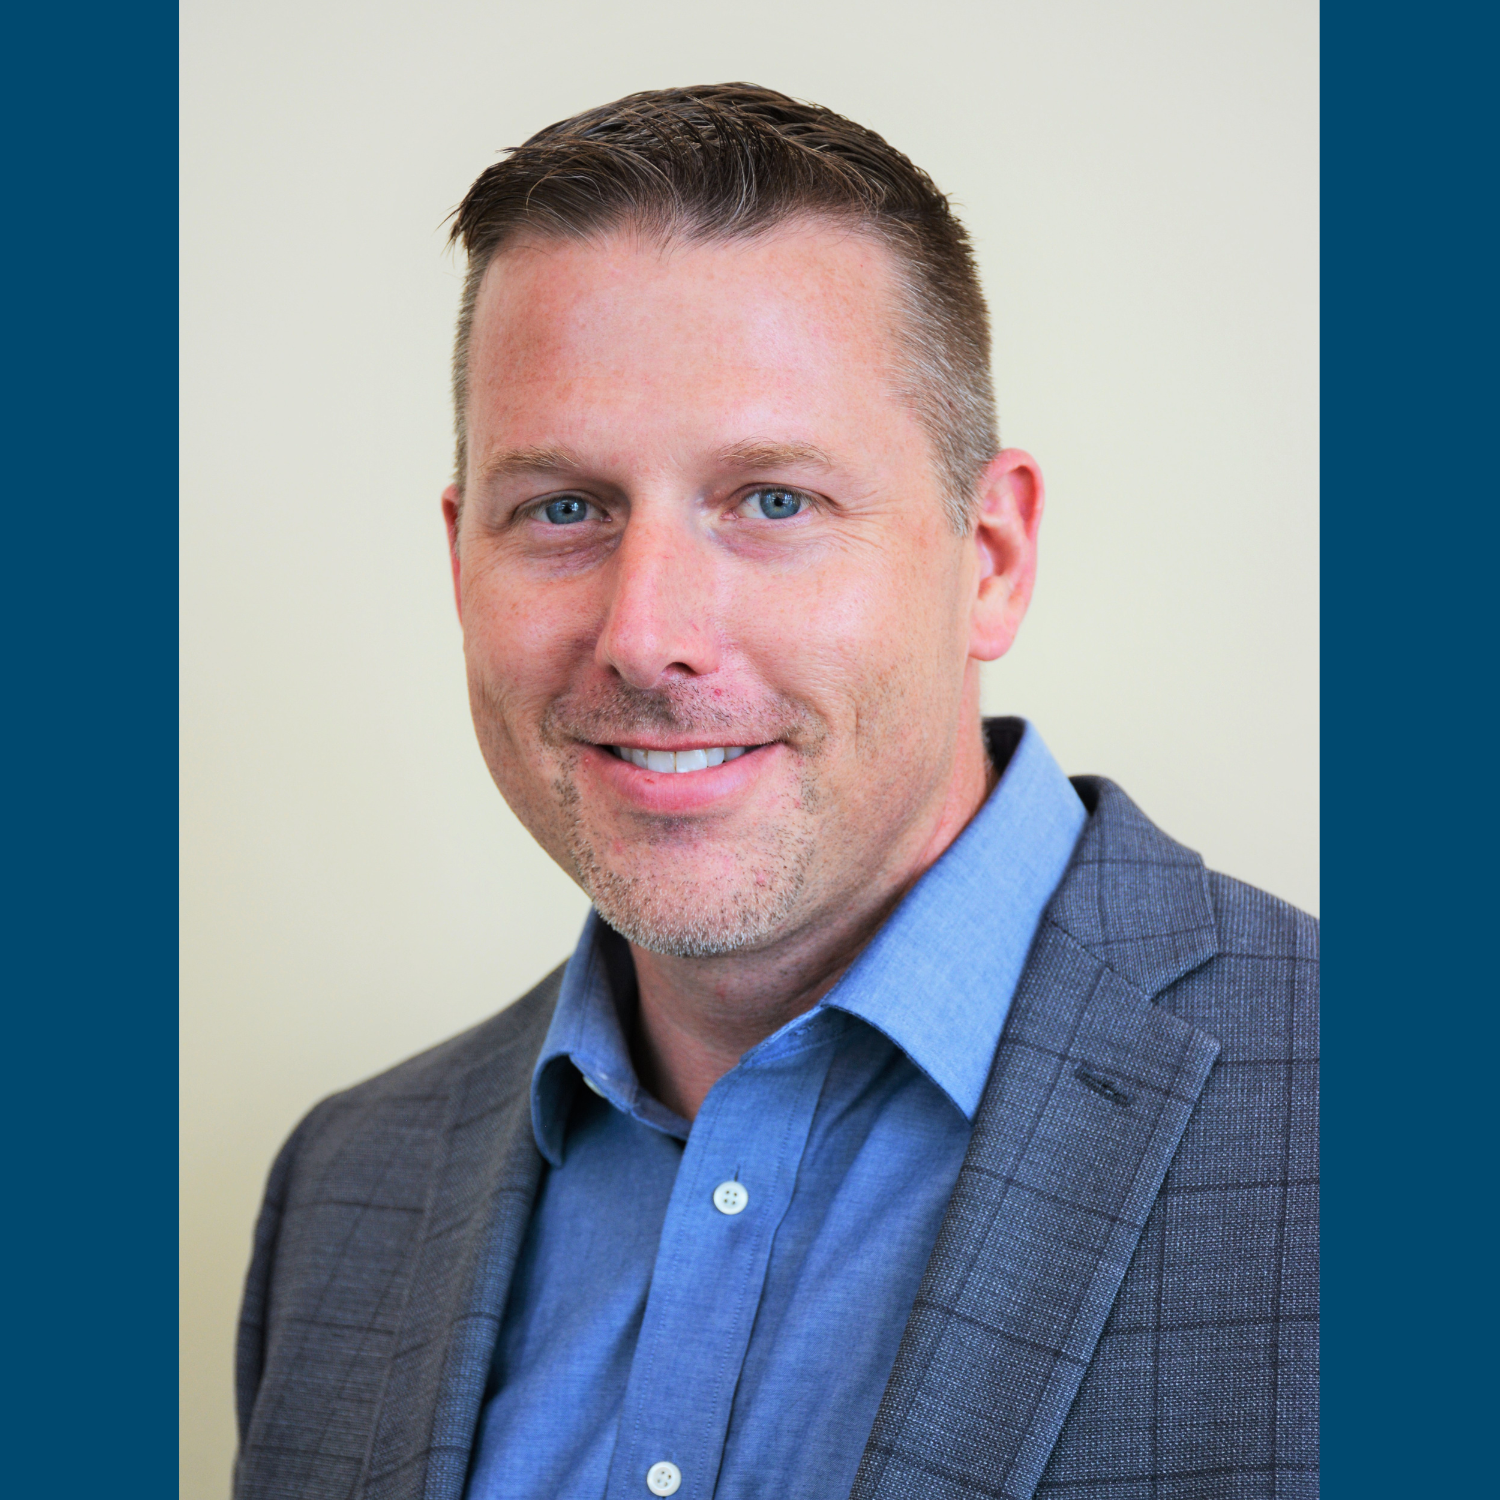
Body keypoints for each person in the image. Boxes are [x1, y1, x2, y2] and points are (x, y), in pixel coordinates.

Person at [232, 84, 1317, 1500]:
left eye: (773, 501)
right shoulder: (345, 1194)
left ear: (990, 557)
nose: (645, 634)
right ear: (460, 561)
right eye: (563, 509)